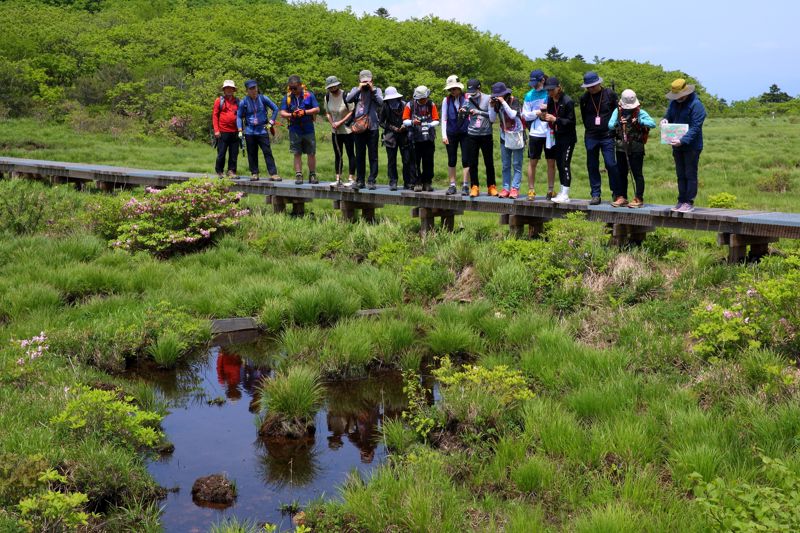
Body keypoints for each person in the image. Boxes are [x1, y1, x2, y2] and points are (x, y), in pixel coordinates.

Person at [662, 78, 706, 213]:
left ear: (687, 92)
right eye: (675, 96)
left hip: (692, 146)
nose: (678, 98)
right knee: (680, 174)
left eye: (680, 96)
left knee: (690, 173)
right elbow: (668, 116)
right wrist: (664, 120)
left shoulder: (696, 105)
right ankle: (681, 200)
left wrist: (683, 140)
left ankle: (689, 202)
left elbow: (696, 127)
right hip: (676, 144)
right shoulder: (673, 103)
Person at [608, 89, 656, 208]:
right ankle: (622, 197)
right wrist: (619, 122)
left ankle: (638, 198)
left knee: (637, 174)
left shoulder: (640, 112)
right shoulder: (617, 111)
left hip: (636, 147)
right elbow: (610, 125)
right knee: (621, 173)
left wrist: (639, 121)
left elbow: (652, 123)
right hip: (621, 147)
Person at [579, 71, 619, 205]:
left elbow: (617, 112)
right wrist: (591, 128)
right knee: (592, 165)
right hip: (591, 136)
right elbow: (584, 117)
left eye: (592, 86)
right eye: (588, 87)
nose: (590, 89)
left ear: (599, 83)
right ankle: (595, 194)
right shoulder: (584, 98)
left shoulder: (610, 94)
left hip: (607, 135)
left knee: (610, 164)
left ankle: (616, 193)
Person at [279, 75, 320, 184]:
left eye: (295, 88)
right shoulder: (287, 97)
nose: (293, 90)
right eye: (291, 88)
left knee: (311, 152)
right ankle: (298, 175)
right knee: (297, 153)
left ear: (300, 86)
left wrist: (305, 112)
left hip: (308, 128)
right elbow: (282, 113)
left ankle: (312, 175)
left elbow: (317, 109)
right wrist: (292, 114)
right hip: (294, 129)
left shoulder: (309, 95)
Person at [346, 70, 384, 189]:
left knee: (373, 155)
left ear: (372, 80)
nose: (366, 84)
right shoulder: (355, 90)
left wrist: (372, 90)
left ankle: (372, 180)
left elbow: (381, 102)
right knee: (360, 155)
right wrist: (359, 89)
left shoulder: (377, 90)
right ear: (360, 81)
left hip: (373, 127)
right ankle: (360, 180)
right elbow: (348, 99)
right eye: (364, 82)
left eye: (368, 81)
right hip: (359, 128)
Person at [522, 69, 556, 199]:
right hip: (535, 133)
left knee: (551, 162)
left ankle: (551, 190)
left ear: (542, 80)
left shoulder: (550, 93)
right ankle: (531, 190)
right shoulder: (529, 95)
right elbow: (525, 115)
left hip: (549, 132)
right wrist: (536, 112)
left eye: (535, 82)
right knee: (533, 162)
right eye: (532, 83)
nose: (533, 85)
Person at [236, 79, 280, 182]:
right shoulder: (244, 102)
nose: (253, 90)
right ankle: (254, 173)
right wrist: (240, 130)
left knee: (267, 152)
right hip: (250, 131)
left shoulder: (263, 98)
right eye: (250, 89)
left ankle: (273, 174)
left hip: (262, 130)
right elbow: (238, 116)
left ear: (257, 88)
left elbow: (276, 109)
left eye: (254, 88)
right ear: (247, 90)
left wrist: (271, 122)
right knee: (252, 153)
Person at [541, 77, 576, 203]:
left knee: (565, 164)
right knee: (559, 164)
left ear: (558, 87)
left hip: (568, 138)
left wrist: (556, 119)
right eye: (547, 90)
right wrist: (543, 117)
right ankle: (562, 191)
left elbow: (571, 122)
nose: (549, 92)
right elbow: (549, 117)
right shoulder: (550, 99)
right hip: (556, 136)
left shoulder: (568, 101)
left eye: (551, 89)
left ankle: (565, 194)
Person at [488, 82, 525, 199]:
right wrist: (491, 106)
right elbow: (492, 119)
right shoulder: (497, 104)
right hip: (504, 136)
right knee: (505, 165)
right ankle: (505, 188)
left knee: (517, 164)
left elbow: (513, 115)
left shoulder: (514, 101)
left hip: (517, 136)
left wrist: (503, 102)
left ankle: (515, 188)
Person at [461, 79, 496, 197]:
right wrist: (463, 111)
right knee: (473, 162)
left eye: (474, 90)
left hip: (486, 134)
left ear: (479, 88)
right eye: (470, 91)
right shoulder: (468, 99)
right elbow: (465, 109)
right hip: (472, 135)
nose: (471, 93)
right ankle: (474, 186)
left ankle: (491, 186)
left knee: (489, 162)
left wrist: (478, 112)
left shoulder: (488, 98)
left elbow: (492, 117)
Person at [402, 86, 440, 192]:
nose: (423, 100)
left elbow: (436, 119)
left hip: (428, 137)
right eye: (421, 99)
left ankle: (427, 182)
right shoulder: (410, 105)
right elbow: (404, 120)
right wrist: (413, 122)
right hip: (414, 137)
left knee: (428, 161)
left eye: (425, 98)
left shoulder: (431, 104)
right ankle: (416, 182)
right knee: (414, 161)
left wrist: (429, 125)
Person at [324, 75, 356, 188]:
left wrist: (340, 122)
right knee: (338, 154)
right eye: (330, 88)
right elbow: (327, 112)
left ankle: (351, 178)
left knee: (350, 153)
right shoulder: (327, 97)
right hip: (335, 131)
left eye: (334, 87)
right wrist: (332, 122)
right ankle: (338, 178)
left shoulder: (346, 95)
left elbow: (351, 111)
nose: (332, 89)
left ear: (338, 85)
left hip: (347, 130)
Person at [441, 75, 470, 195]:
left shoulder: (468, 98)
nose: (452, 91)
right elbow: (444, 118)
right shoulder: (446, 100)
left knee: (466, 159)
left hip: (466, 132)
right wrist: (444, 135)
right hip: (451, 133)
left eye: (454, 88)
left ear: (459, 88)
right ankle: (452, 185)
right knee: (451, 159)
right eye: (450, 89)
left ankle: (465, 185)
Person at [379, 86, 411, 191]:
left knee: (406, 159)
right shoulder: (385, 106)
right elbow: (381, 122)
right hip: (390, 136)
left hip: (404, 135)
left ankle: (408, 182)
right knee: (391, 160)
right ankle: (393, 182)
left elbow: (410, 119)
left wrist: (404, 126)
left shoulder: (404, 105)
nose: (392, 100)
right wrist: (392, 127)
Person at [212, 80, 240, 178]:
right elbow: (215, 116)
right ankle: (219, 171)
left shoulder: (237, 101)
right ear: (224, 90)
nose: (229, 90)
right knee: (221, 153)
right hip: (222, 131)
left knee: (234, 153)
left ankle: (231, 171)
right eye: (227, 88)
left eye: (230, 88)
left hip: (235, 131)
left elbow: (241, 115)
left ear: (233, 90)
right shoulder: (219, 101)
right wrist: (216, 130)